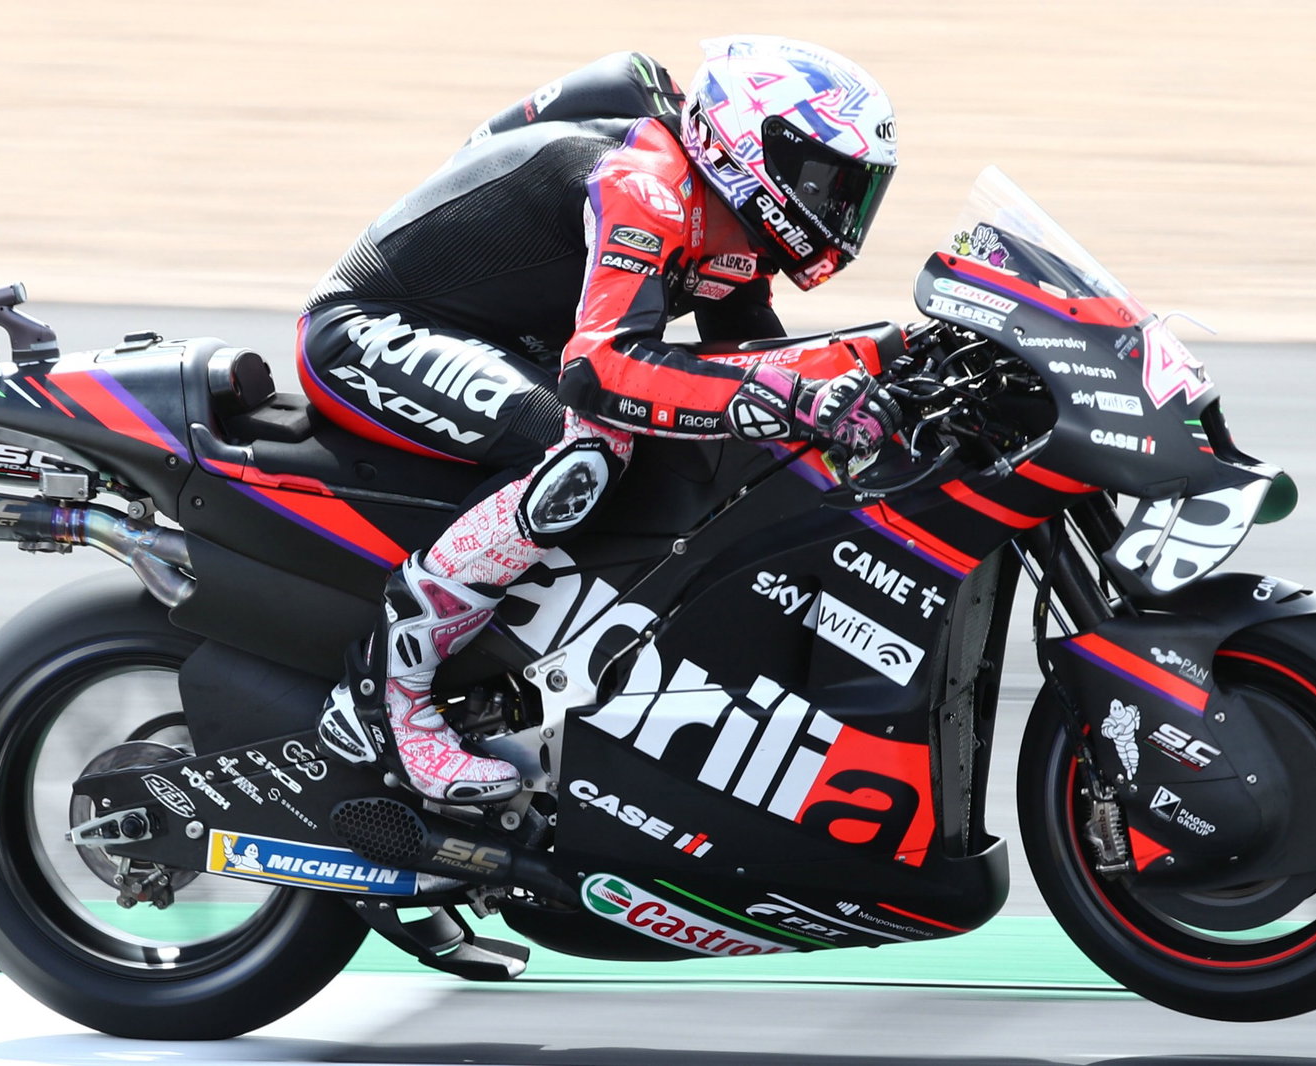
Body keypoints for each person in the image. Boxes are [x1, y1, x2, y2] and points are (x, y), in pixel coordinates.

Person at [303, 36, 903, 805]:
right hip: (366, 329)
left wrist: (895, 364)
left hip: (492, 340)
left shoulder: (724, 219)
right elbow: (601, 372)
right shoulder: (646, 186)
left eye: (854, 193)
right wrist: (795, 397)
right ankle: (383, 698)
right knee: (584, 451)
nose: (838, 212)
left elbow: (753, 356)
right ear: (756, 149)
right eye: (826, 183)